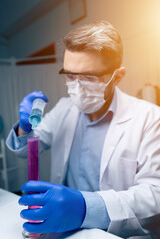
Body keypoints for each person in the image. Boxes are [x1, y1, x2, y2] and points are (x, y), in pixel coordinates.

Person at [6, 21, 160, 238]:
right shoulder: (64, 108)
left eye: (89, 77)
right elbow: (27, 150)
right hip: (64, 230)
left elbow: (155, 193)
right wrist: (24, 129)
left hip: (117, 234)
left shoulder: (150, 119)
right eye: (70, 76)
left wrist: (87, 207)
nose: (76, 87)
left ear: (117, 76)